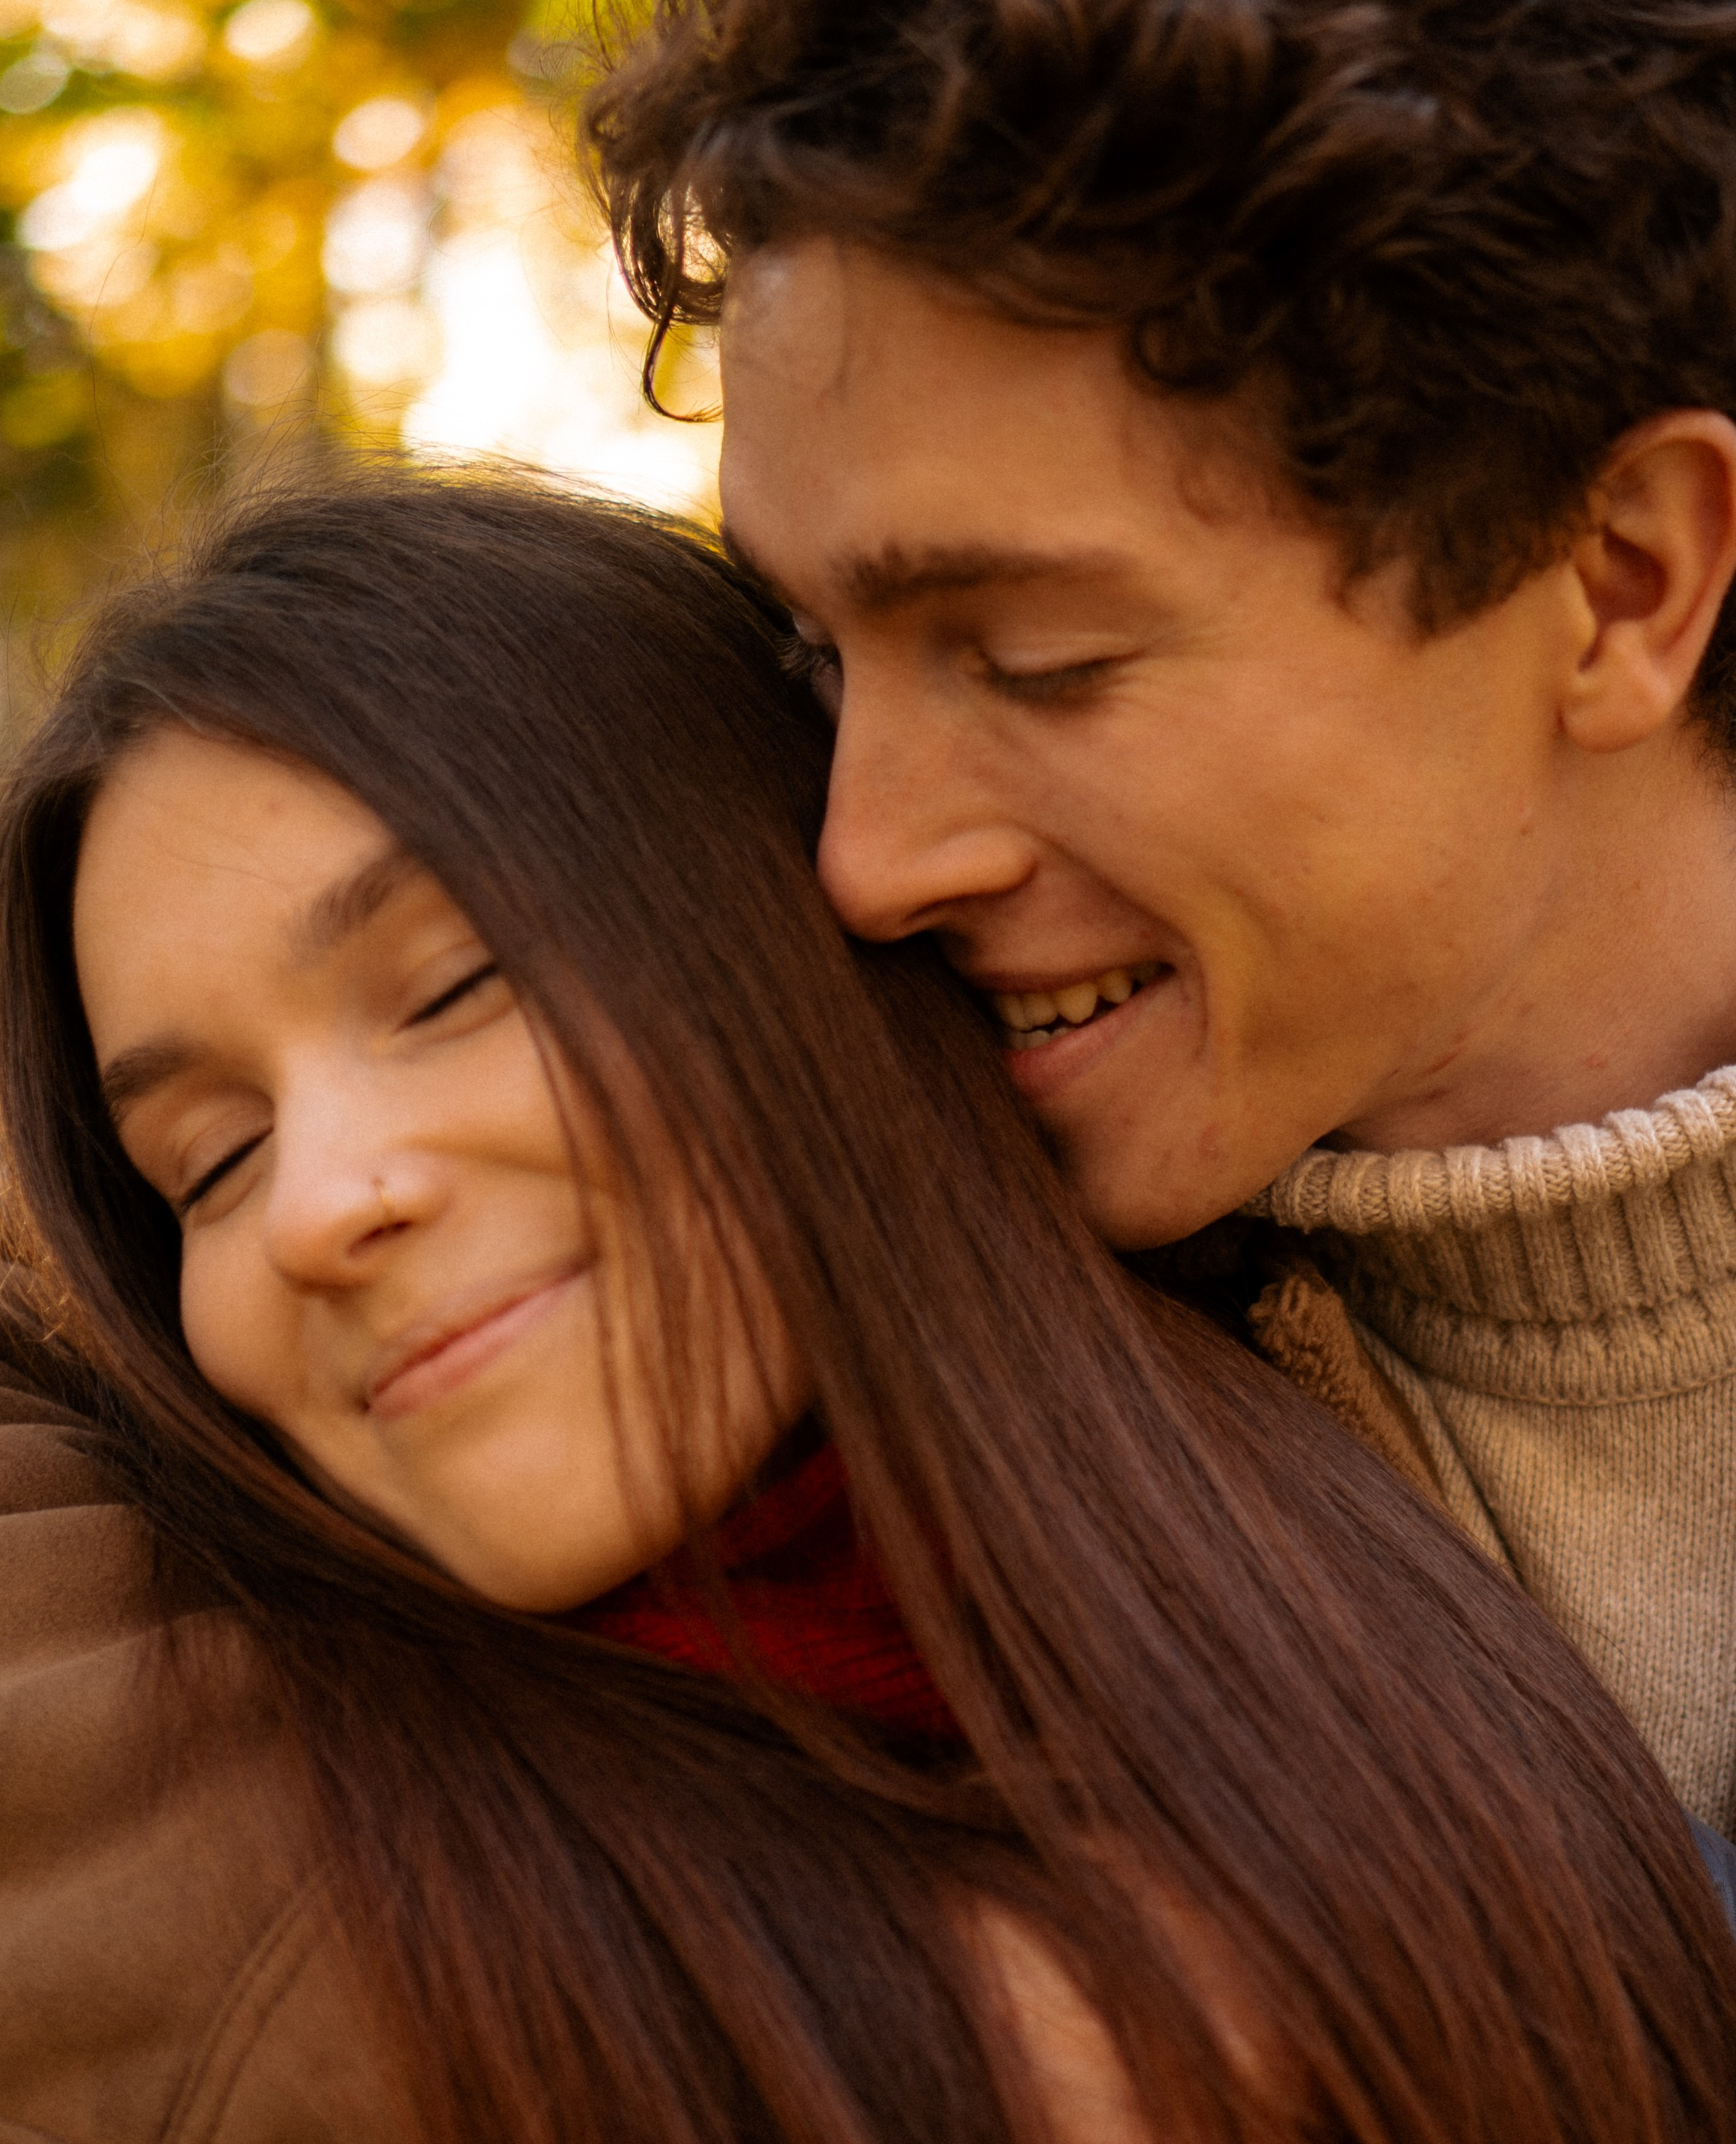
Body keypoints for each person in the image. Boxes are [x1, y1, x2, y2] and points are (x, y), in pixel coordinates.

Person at [0, 470, 1736, 2144]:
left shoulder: (1443, 1846)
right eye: (198, 1158)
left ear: (804, 933)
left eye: (454, 985)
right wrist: (775, 2003)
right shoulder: (89, 2029)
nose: (318, 1203)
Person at [586, 0, 1736, 1836]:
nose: (865, 864)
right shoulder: (841, 1201)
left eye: (1039, 663)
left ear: (1617, 582)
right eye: (813, 651)